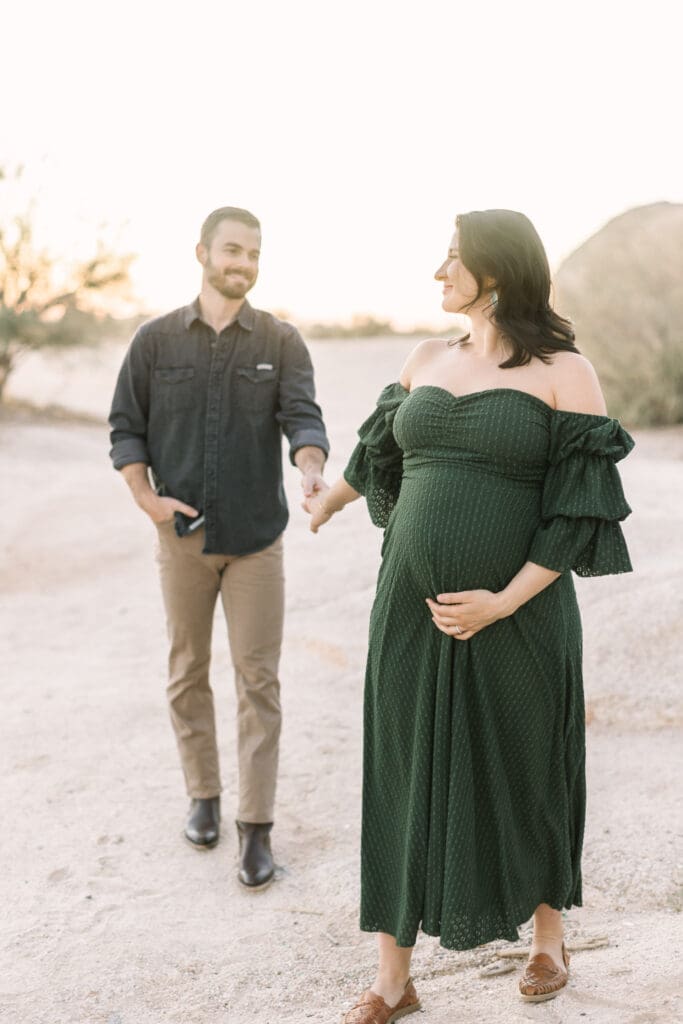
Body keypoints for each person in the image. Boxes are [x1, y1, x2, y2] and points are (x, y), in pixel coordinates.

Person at [304, 209, 634, 1021]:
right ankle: (392, 979)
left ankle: (547, 942)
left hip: (518, 611)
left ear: (495, 271)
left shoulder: (563, 370)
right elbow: (376, 456)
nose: (437, 273)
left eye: (452, 259)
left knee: (530, 763)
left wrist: (502, 600)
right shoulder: (424, 358)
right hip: (409, 611)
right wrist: (329, 502)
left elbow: (575, 511)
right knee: (401, 771)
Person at [109, 206, 329, 890]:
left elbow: (302, 415)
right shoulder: (153, 342)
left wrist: (312, 466)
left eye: (253, 253)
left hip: (256, 539)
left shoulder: (281, 340)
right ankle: (202, 798)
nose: (242, 262)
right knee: (186, 670)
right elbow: (126, 427)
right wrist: (146, 500)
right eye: (232, 249)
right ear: (202, 251)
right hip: (182, 539)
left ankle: (254, 828)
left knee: (258, 681)